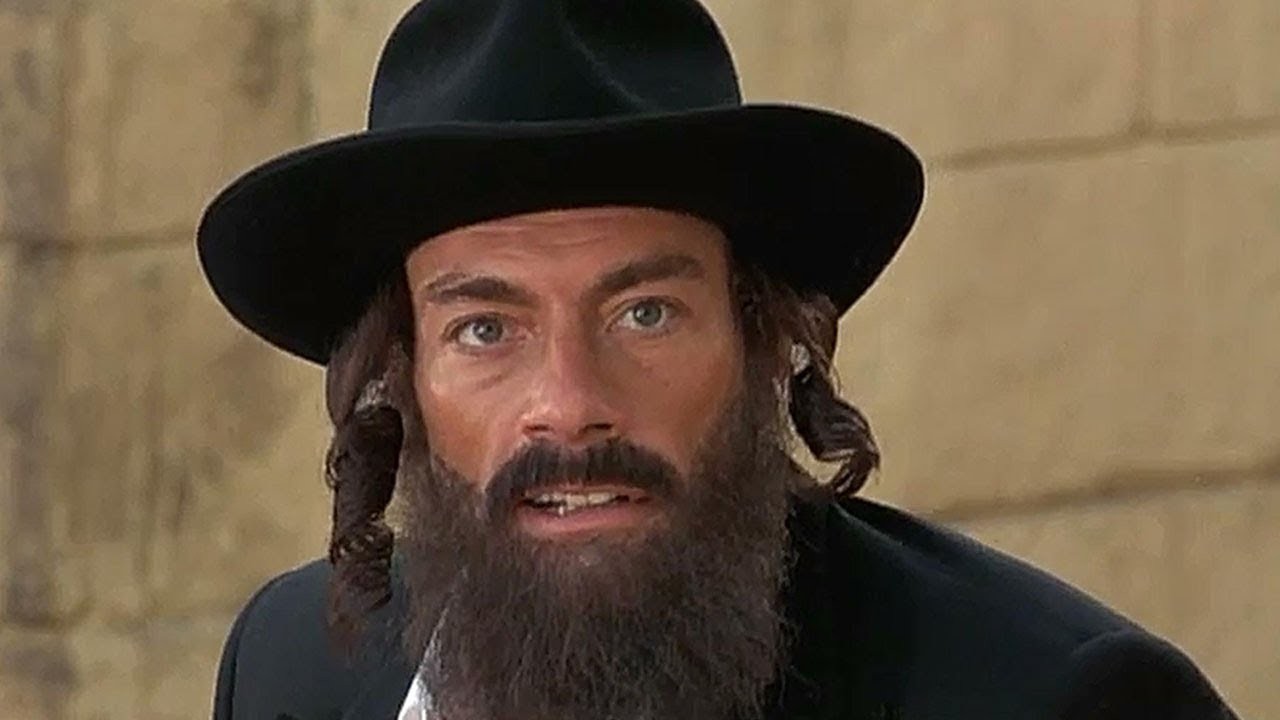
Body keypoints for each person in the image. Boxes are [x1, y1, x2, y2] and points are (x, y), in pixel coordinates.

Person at [199, 1, 1241, 718]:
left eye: (644, 314)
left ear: (762, 339)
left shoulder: (1055, 700)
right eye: (485, 329)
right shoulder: (292, 670)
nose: (569, 403)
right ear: (401, 378)